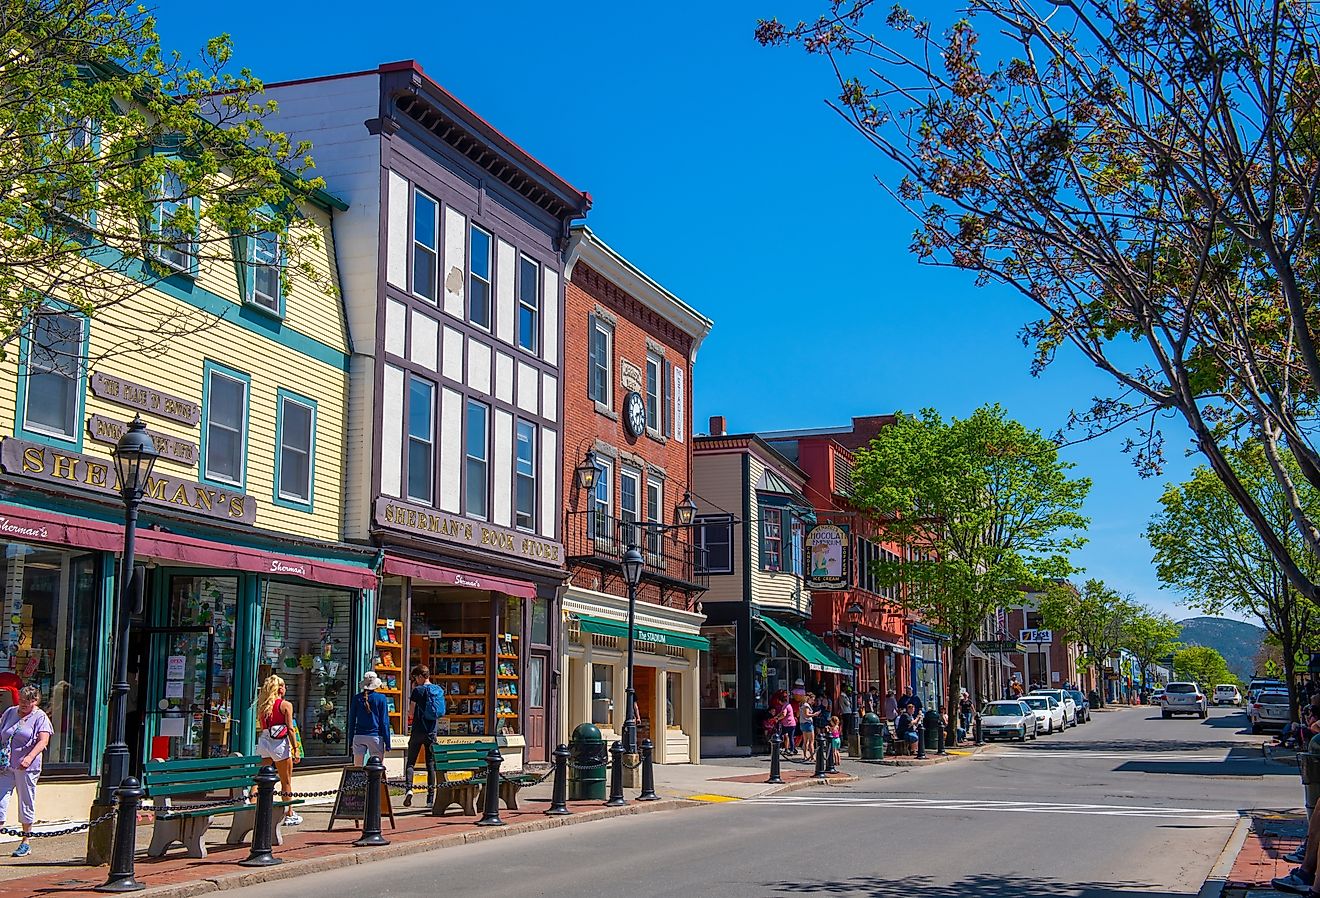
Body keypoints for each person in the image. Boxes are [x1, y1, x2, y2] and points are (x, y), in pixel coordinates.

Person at [0, 687, 51, 857]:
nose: (22, 704)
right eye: (21, 700)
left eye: (26, 701)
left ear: (34, 701)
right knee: (0, 799)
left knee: (25, 801)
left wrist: (29, 757)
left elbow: (43, 741)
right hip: (6, 764)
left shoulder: (40, 717)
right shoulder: (10, 712)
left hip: (26, 766)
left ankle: (26, 841)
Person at [256, 675, 302, 826]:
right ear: (280, 688)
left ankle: (252, 807)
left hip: (264, 741)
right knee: (286, 780)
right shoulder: (285, 705)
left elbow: (263, 726)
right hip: (279, 743)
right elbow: (290, 728)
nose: (286, 688)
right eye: (284, 686)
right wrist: (295, 749)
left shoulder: (263, 705)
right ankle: (288, 812)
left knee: (260, 779)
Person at [403, 665, 444, 808]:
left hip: (417, 731)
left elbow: (411, 712)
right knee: (430, 765)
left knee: (411, 763)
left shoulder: (417, 691)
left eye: (415, 678)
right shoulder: (437, 689)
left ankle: (409, 789)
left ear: (420, 676)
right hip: (431, 732)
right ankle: (430, 799)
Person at [349, 671, 393, 767]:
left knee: (358, 767)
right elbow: (384, 722)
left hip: (359, 735)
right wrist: (387, 742)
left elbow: (351, 720)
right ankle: (375, 782)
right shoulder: (381, 698)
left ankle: (359, 782)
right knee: (377, 766)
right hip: (375, 736)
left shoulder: (357, 698)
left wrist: (351, 739)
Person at [799, 693, 816, 761]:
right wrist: (814, 714)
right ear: (809, 698)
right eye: (812, 699)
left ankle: (805, 755)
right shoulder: (806, 705)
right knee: (811, 742)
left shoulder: (802, 704)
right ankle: (812, 757)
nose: (813, 701)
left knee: (805, 741)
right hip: (808, 723)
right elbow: (806, 715)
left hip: (802, 723)